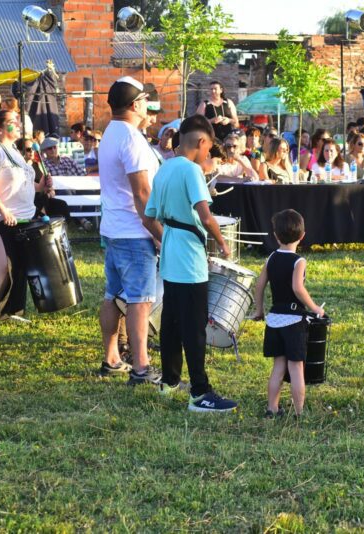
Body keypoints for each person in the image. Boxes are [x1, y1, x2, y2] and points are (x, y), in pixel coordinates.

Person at [143, 114, 237, 412]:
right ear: (201, 141)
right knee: (194, 326)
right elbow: (205, 215)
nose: (208, 153)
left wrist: (169, 237)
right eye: (208, 148)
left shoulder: (164, 168)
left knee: (171, 321)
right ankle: (200, 392)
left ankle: (169, 381)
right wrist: (223, 244)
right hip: (190, 260)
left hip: (171, 255)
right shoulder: (191, 171)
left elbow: (148, 218)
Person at [98, 76, 162, 385]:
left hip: (114, 228)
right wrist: (159, 233)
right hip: (134, 232)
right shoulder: (131, 138)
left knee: (113, 295)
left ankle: (112, 358)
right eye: (145, 100)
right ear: (135, 105)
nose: (148, 104)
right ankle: (141, 367)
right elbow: (142, 194)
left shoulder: (111, 131)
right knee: (140, 300)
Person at [253, 209, 325, 418]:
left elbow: (259, 286)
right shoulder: (299, 261)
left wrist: (259, 309)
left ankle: (272, 408)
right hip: (294, 322)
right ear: (302, 236)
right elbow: (297, 288)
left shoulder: (271, 258)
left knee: (278, 366)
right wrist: (315, 308)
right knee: (296, 368)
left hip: (274, 320)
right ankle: (299, 412)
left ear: (276, 235)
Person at [0, 110, 37, 330]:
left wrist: (42, 187)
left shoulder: (14, 151)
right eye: (12, 122)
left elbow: (19, 182)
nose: (18, 125)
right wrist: (2, 210)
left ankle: (11, 310)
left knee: (18, 266)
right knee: (3, 266)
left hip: (21, 218)